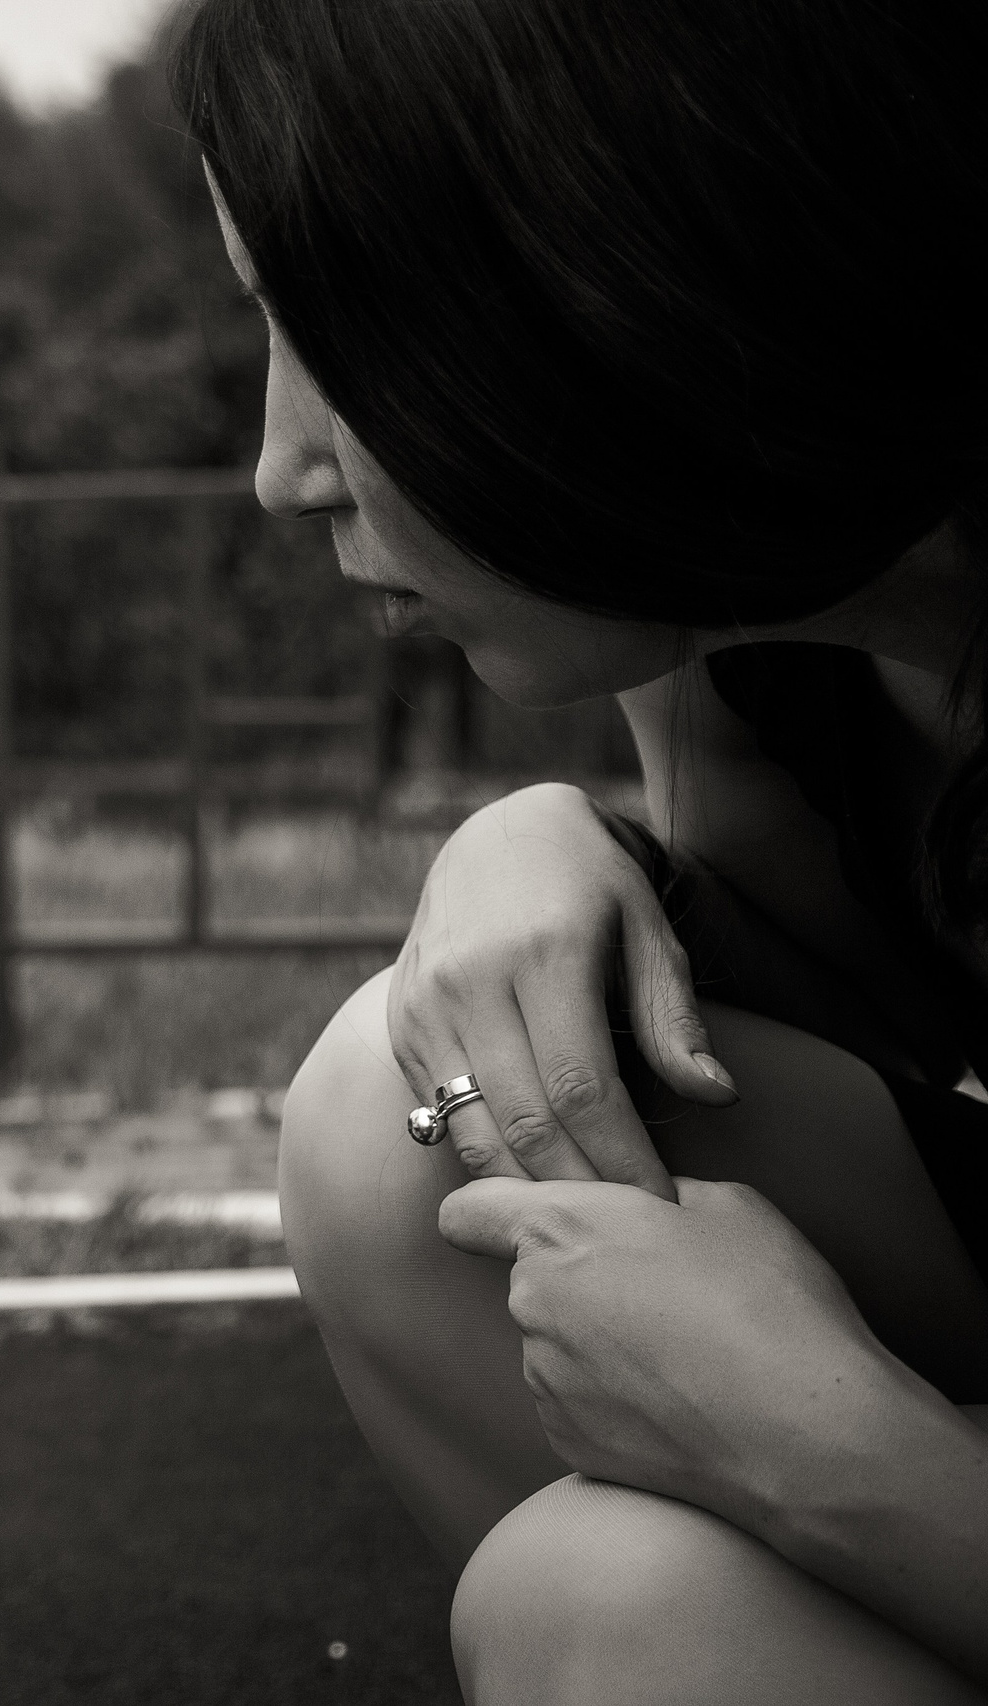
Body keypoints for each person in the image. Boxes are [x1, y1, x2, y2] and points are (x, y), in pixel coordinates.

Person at [169, 0, 988, 1699]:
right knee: (409, 1112)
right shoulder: (760, 626)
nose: (279, 468)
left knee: (616, 1607)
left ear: (607, 269)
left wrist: (829, 1452)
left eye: (327, 329)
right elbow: (838, 992)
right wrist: (546, 840)